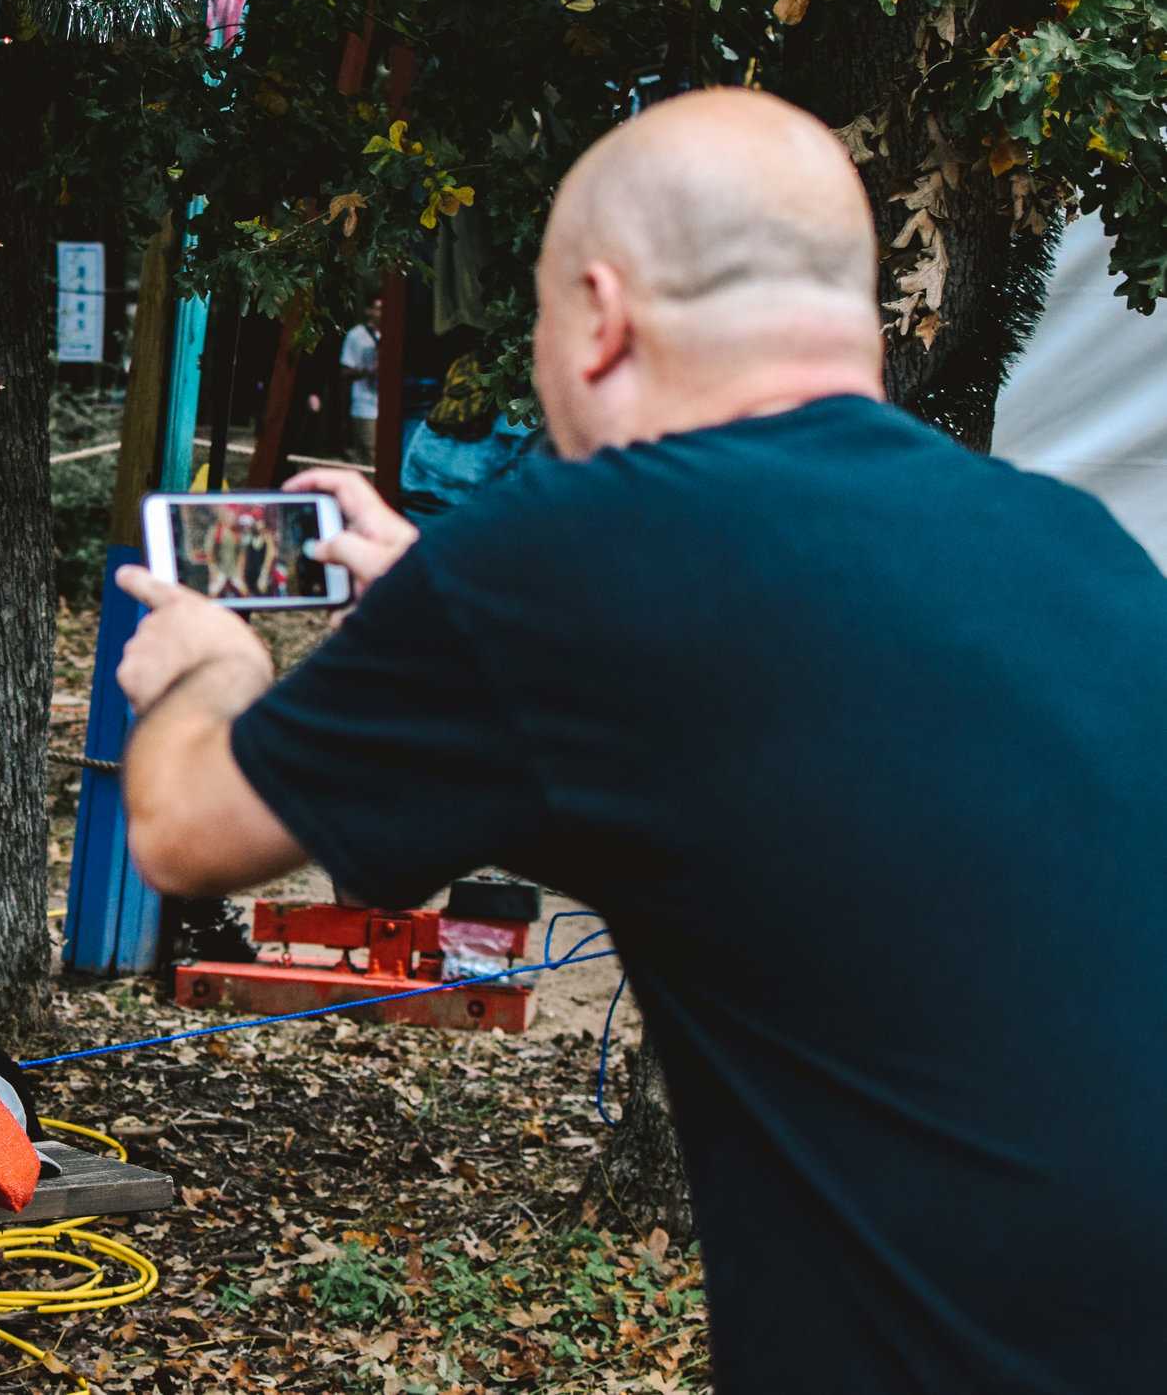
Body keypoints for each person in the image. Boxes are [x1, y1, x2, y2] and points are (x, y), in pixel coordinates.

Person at [110, 88, 1167, 1394]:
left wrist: (211, 666)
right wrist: (449, 590)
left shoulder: (575, 557)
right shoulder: (1079, 548)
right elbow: (780, 663)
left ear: (600, 315)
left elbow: (183, 828)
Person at [338, 319, 378, 462]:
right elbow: (344, 371)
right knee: (369, 452)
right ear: (369, 311)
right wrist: (368, 370)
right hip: (365, 404)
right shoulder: (357, 335)